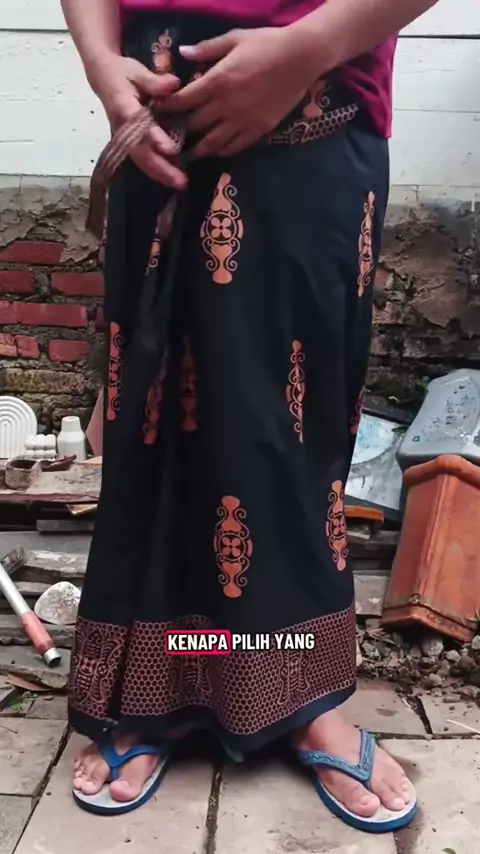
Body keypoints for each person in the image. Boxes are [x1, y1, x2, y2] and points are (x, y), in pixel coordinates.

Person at [62, 0, 438, 831]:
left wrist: (309, 47)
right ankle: (156, 693)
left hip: (316, 113)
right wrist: (100, 63)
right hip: (156, 131)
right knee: (155, 435)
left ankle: (304, 697)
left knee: (291, 441)